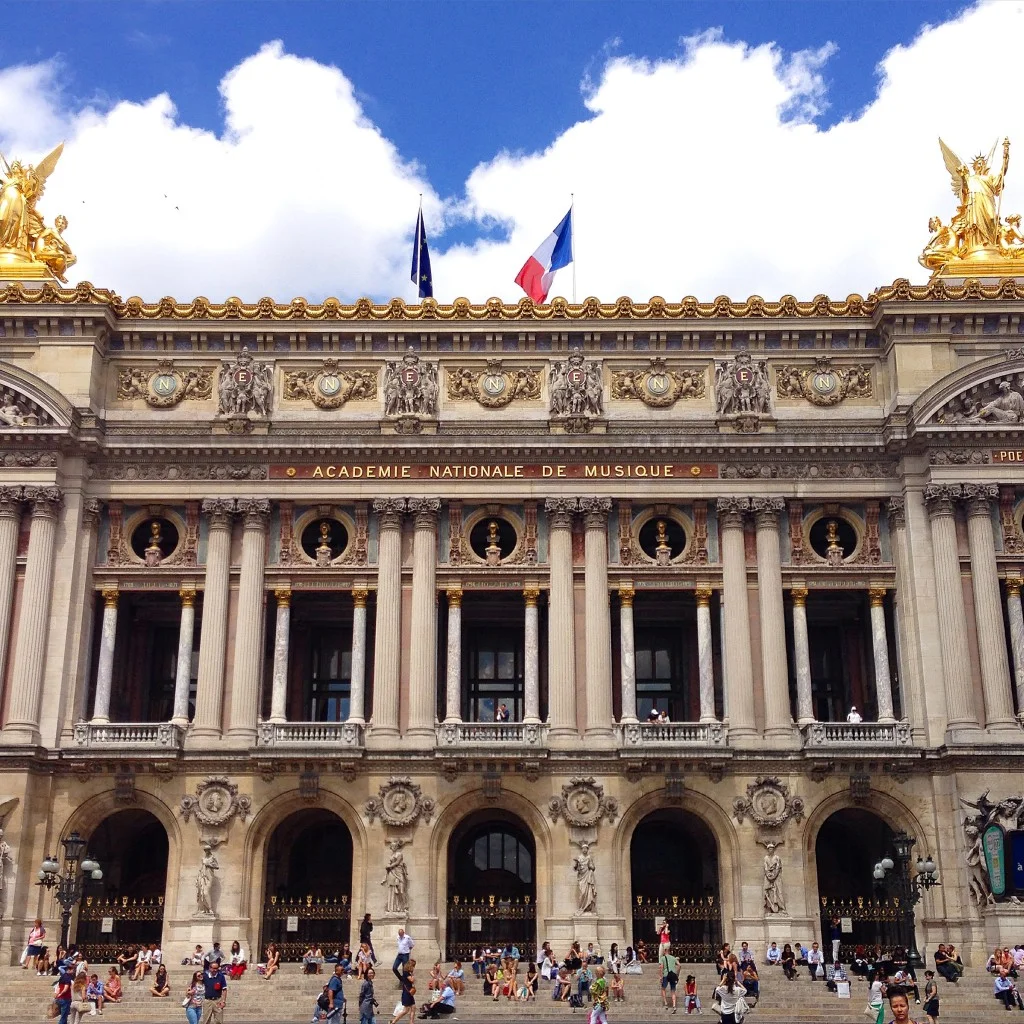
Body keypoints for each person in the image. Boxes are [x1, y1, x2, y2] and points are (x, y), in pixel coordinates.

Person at [201, 957, 228, 1024]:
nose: (215, 970)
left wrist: (223, 1001)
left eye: (216, 968)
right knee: (206, 1020)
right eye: (213, 968)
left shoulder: (221, 976)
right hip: (207, 1001)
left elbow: (224, 989)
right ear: (210, 968)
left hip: (217, 1000)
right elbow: (196, 982)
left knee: (219, 1021)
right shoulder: (205, 976)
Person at [390, 958, 416, 1024]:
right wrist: (413, 974)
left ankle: (411, 1022)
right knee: (405, 1010)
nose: (414, 967)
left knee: (413, 1007)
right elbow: (412, 980)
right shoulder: (406, 973)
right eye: (413, 966)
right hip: (407, 993)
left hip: (409, 993)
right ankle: (394, 1021)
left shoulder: (407, 973)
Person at [660, 946, 679, 1012]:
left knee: (663, 988)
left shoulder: (662, 958)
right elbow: (679, 965)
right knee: (673, 990)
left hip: (666, 974)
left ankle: (665, 1003)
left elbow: (661, 967)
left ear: (664, 951)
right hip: (673, 975)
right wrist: (677, 973)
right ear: (669, 951)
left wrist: (661, 976)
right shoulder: (673, 958)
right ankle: (674, 1005)